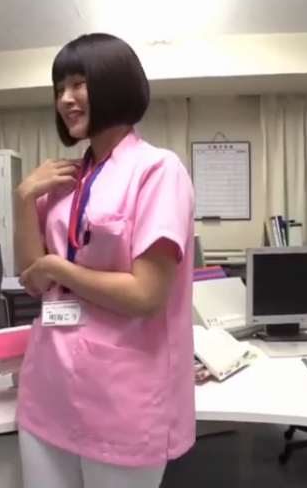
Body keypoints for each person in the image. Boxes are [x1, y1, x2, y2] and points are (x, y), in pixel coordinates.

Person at [12, 33, 197, 488]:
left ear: (114, 83)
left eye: (78, 84)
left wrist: (58, 268)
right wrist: (23, 199)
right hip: (49, 389)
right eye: (59, 88)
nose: (65, 99)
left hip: (123, 399)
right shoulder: (63, 179)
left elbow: (145, 295)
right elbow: (31, 279)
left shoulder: (158, 170)